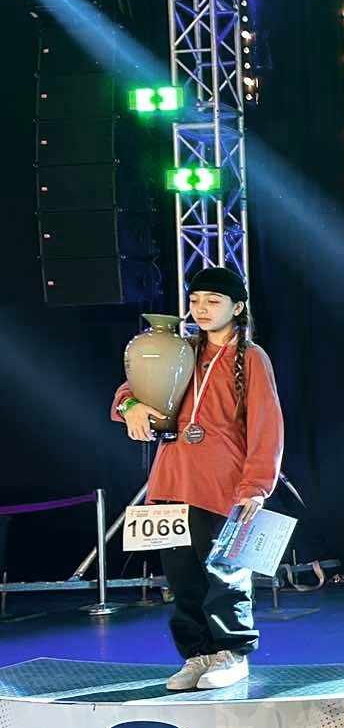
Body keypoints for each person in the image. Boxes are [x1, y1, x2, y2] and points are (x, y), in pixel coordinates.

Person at [112, 267, 284, 691]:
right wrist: (131, 406)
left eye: (213, 301)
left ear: (237, 307)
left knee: (224, 575)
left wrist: (256, 487)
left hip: (224, 487)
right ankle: (197, 655)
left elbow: (268, 427)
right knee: (182, 578)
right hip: (171, 482)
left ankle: (232, 654)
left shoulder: (252, 358)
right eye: (195, 301)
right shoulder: (180, 350)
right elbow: (127, 392)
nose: (201, 309)